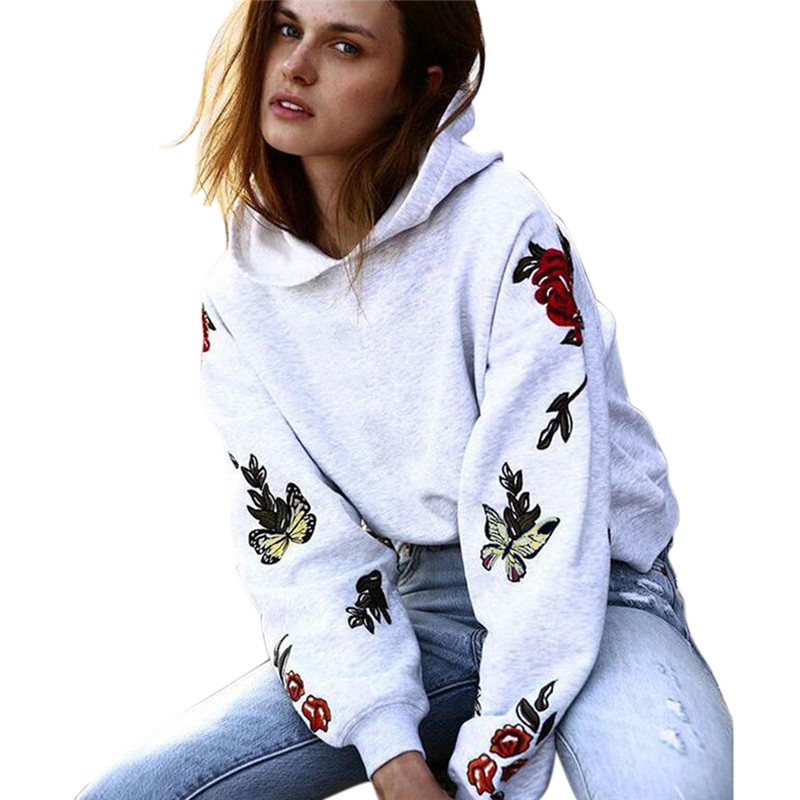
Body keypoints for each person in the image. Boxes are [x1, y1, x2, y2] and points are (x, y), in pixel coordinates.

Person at [73, 2, 733, 799]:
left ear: (417, 88)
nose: (297, 66)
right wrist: (392, 754)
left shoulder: (501, 227)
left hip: (598, 589)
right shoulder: (240, 297)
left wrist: (486, 772)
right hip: (416, 608)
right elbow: (300, 552)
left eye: (346, 47)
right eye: (287, 28)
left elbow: (542, 518)